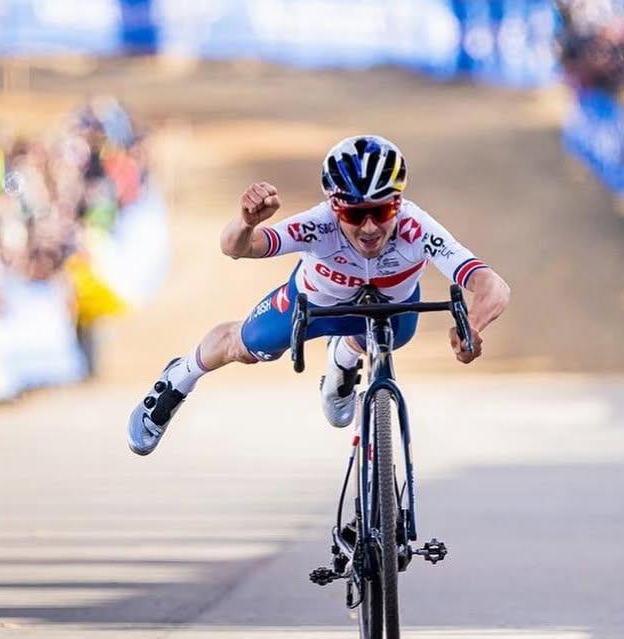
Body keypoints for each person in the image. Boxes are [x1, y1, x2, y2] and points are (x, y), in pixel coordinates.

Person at [127, 135, 511, 455]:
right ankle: (178, 379)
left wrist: (472, 326)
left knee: (384, 334)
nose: (370, 226)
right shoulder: (318, 224)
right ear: (333, 206)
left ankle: (343, 361)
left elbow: (492, 285)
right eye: (353, 213)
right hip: (316, 305)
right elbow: (235, 248)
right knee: (242, 346)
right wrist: (246, 222)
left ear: (399, 202)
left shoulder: (416, 227)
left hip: (391, 316)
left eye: (382, 209)